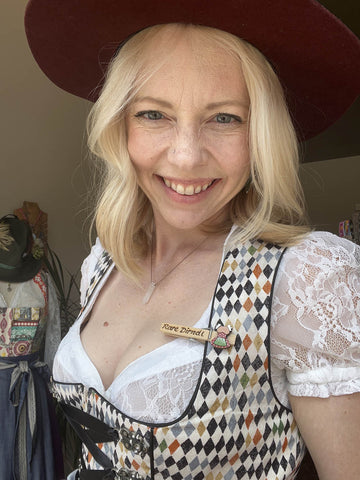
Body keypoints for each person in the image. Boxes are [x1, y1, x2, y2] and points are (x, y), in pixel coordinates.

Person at [24, 1, 360, 479]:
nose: (185, 157)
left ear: (262, 133)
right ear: (119, 125)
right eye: (153, 114)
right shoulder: (107, 259)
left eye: (224, 118)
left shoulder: (307, 281)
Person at [0, 215, 63, 479]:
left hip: (28, 388)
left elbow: (54, 340)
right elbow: (54, 343)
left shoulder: (43, 283)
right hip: (34, 384)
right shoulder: (43, 283)